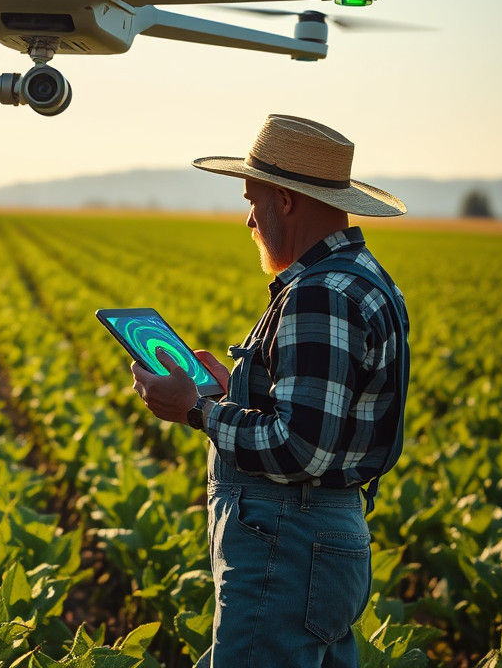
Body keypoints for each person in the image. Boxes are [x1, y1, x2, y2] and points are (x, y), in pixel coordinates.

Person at [130, 114, 410, 668]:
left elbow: (301, 447)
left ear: (285, 201)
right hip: (323, 539)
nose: (248, 220)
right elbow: (326, 412)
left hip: (290, 539)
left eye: (253, 200)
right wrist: (237, 388)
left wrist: (197, 410)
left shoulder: (320, 293)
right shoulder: (362, 276)